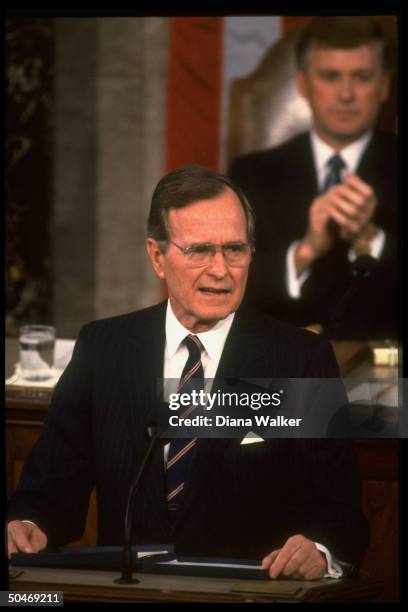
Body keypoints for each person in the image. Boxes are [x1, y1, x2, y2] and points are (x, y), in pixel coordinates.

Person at [8, 165, 369, 580]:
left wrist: (320, 550)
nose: (220, 270)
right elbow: (48, 492)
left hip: (249, 596)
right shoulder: (103, 350)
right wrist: (27, 526)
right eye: (199, 250)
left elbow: (343, 514)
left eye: (235, 249)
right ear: (157, 256)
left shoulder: (300, 359)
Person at [229, 16, 398, 340]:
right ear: (304, 85)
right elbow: (230, 290)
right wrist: (305, 251)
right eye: (330, 76)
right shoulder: (252, 174)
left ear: (384, 87)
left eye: (362, 77)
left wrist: (372, 241)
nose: (346, 94)